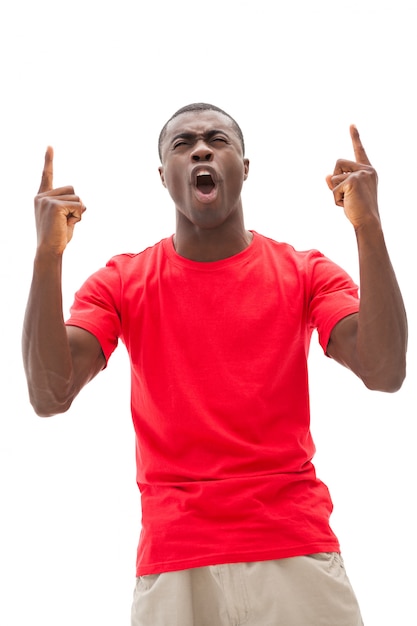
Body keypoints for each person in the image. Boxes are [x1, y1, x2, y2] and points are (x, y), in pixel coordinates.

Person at [22, 103, 407, 626]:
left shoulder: (304, 272)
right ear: (164, 178)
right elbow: (50, 394)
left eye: (217, 140)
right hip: (175, 561)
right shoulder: (120, 282)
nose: (201, 148)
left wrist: (370, 227)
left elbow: (384, 370)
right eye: (183, 144)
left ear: (244, 168)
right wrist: (48, 256)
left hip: (293, 547)